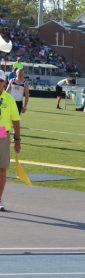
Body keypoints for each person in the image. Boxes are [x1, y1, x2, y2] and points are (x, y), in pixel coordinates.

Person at [0, 70, 21, 212]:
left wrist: (17, 139)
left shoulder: (9, 99)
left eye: (0, 81)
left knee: (1, 170)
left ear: (4, 82)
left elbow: (15, 121)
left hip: (2, 133)